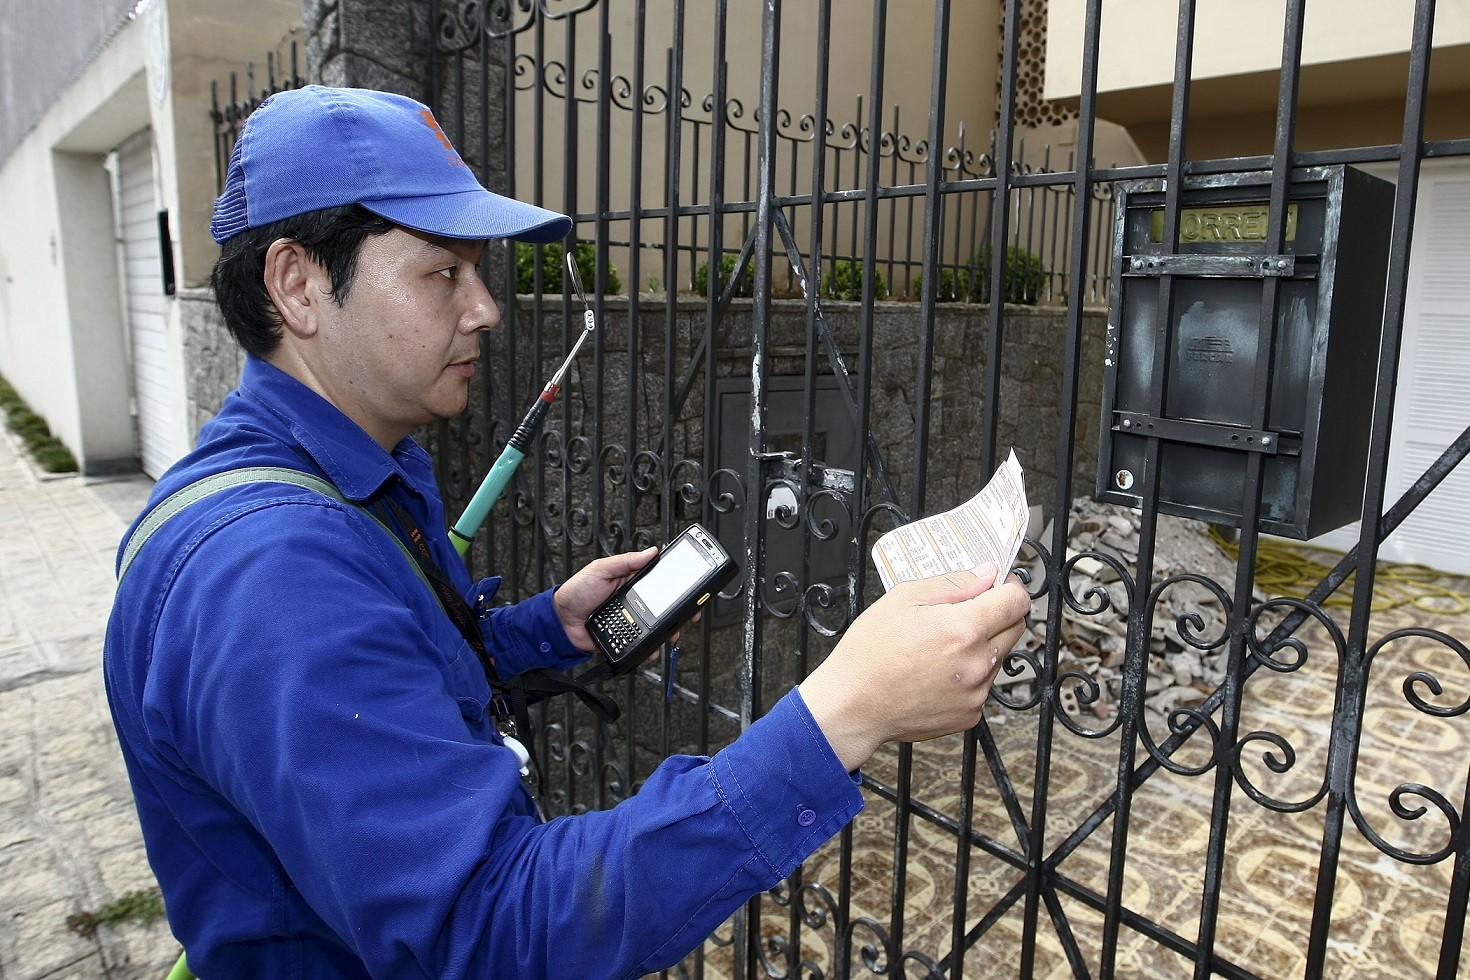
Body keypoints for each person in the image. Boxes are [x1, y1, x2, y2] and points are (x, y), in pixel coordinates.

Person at [103, 85, 1029, 979]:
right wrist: (842, 715)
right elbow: (490, 930)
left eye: (477, 271)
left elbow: (392, 675)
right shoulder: (271, 577)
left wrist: (547, 628)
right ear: (297, 285)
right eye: (442, 273)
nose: (485, 308)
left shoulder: (355, 476)